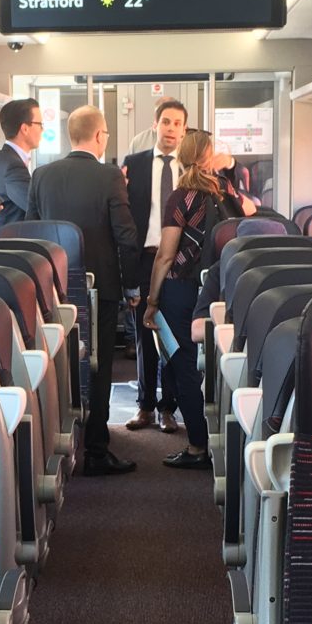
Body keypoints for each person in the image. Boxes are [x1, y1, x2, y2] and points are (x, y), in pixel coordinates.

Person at [27, 104, 141, 476]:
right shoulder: (109, 176)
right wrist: (132, 286)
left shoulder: (41, 175)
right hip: (99, 289)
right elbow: (125, 236)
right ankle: (96, 447)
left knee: (60, 365)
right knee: (99, 366)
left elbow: (31, 233)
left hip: (54, 290)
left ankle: (61, 441)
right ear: (99, 136)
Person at [142, 128, 238, 470]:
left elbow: (166, 256)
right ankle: (225, 442)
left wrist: (151, 302)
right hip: (223, 289)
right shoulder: (226, 192)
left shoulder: (181, 197)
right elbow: (249, 223)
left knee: (183, 367)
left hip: (181, 291)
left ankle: (198, 446)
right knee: (223, 367)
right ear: (207, 156)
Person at [120, 99, 188, 432]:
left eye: (177, 123)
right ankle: (145, 406)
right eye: (166, 122)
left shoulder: (191, 167)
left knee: (171, 335)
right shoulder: (134, 164)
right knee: (144, 337)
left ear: (184, 130)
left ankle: (168, 408)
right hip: (145, 257)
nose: (171, 128)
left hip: (179, 262)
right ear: (155, 125)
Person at [0, 99, 42, 231]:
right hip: (18, 246)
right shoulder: (12, 166)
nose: (42, 130)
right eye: (40, 124)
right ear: (25, 128)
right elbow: (37, 209)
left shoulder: (0, 161)